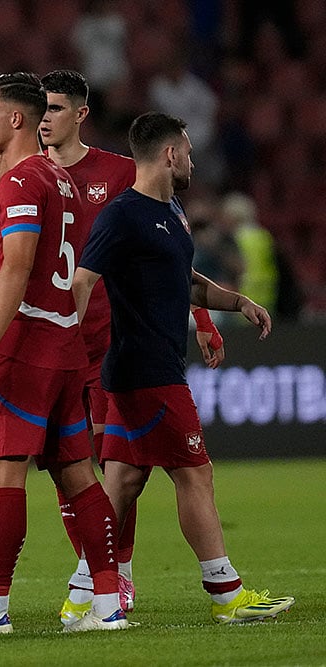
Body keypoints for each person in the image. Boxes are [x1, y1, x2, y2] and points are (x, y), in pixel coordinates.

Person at [0, 72, 125, 637]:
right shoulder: (60, 180)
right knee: (78, 475)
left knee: (3, 475)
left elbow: (17, 267)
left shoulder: (18, 183)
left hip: (24, 348)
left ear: (16, 119)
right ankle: (107, 602)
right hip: (65, 344)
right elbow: (30, 261)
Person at [71, 111, 295, 625]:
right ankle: (227, 593)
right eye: (188, 152)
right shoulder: (121, 214)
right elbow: (83, 281)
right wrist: (68, 349)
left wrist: (234, 302)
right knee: (195, 474)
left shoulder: (171, 211)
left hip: (150, 366)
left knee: (122, 482)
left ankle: (82, 592)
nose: (192, 160)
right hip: (144, 370)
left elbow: (185, 279)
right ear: (170, 154)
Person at [39, 69, 225, 623]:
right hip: (70, 343)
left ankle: (106, 582)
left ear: (79, 113)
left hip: (110, 345)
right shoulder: (26, 178)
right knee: (90, 474)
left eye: (53, 106)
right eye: (39, 107)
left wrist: (206, 319)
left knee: (120, 474)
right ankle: (96, 583)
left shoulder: (126, 175)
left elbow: (168, 258)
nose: (44, 117)